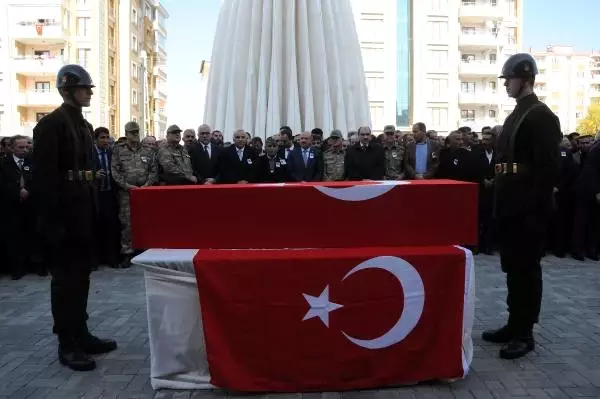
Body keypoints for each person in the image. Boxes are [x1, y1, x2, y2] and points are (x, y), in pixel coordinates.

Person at [31, 64, 117, 371]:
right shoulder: (51, 125)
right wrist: (53, 224)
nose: (89, 92)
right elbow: (43, 179)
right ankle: (66, 343)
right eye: (84, 88)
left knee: (81, 279)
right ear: (67, 90)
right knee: (65, 281)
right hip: (62, 219)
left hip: (81, 215)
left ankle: (81, 333)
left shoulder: (83, 125)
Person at [482, 53, 561, 360]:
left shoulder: (540, 115)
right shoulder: (517, 113)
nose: (506, 85)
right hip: (511, 206)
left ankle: (525, 332)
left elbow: (547, 170)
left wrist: (536, 212)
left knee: (527, 269)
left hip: (528, 209)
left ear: (525, 79)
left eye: (509, 79)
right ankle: (514, 323)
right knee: (513, 268)